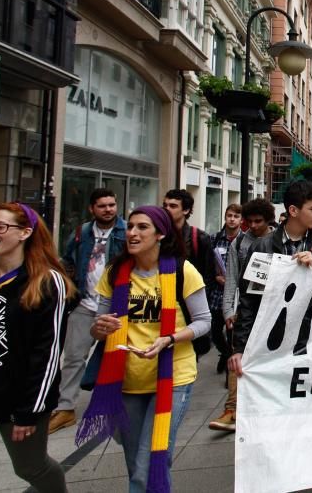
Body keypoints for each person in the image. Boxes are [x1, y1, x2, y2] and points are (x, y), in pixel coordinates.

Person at [76, 206, 210, 492]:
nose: (133, 233)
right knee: (136, 463)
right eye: (131, 227)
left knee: (148, 464)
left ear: (160, 234)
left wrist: (170, 339)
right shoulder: (115, 271)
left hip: (173, 376)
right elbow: (99, 324)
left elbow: (203, 322)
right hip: (126, 380)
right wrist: (99, 329)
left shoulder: (182, 270)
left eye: (142, 227)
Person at [0, 203, 75, 492]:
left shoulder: (48, 282)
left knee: (30, 467)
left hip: (20, 398)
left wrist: (30, 411)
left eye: (0, 227)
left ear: (25, 232)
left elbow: (47, 355)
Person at [230, 181, 312, 381]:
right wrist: (240, 348)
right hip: (268, 345)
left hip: (310, 345)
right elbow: (249, 302)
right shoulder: (262, 247)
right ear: (293, 210)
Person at [49, 188, 126, 434]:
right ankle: (65, 408)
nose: (108, 209)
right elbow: (68, 261)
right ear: (92, 208)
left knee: (117, 357)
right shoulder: (82, 233)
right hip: (85, 303)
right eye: (102, 206)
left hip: (116, 306)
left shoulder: (126, 231)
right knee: (73, 357)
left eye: (112, 205)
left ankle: (116, 403)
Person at [209, 198, 275, 432]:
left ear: (268, 221)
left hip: (273, 310)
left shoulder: (276, 240)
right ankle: (232, 409)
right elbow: (231, 279)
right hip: (245, 310)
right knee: (237, 356)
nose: (254, 226)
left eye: (259, 221)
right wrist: (228, 309)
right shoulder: (239, 244)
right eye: (251, 221)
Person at [162, 188, 217, 289]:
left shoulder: (200, 238)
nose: (167, 209)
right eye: (165, 205)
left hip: (188, 297)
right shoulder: (158, 235)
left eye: (173, 206)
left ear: (186, 210)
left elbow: (208, 277)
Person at [208, 204, 241, 373]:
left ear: (241, 219)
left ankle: (230, 367)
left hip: (235, 295)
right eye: (229, 215)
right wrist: (216, 276)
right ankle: (226, 353)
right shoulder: (215, 238)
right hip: (217, 294)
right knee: (215, 330)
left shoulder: (243, 239)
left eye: (236, 216)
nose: (232, 219)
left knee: (232, 333)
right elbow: (208, 264)